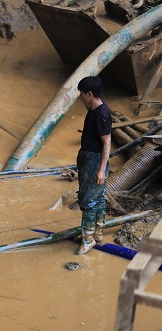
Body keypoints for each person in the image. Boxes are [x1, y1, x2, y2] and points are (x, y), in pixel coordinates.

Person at [75, 76, 112, 255]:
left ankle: (88, 239)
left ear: (89, 94)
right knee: (97, 198)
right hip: (89, 158)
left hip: (95, 160)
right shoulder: (94, 109)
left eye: (81, 94)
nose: (80, 97)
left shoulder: (102, 114)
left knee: (89, 200)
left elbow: (106, 143)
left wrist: (101, 170)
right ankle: (96, 234)